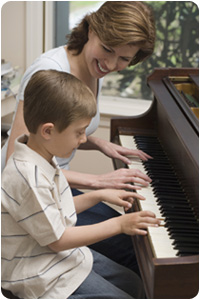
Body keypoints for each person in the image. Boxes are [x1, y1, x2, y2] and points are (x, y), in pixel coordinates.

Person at [1, 1, 156, 271]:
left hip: (56, 187)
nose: (110, 63)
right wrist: (98, 182)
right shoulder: (49, 71)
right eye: (107, 49)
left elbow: (57, 132)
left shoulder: (95, 66)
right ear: (91, 28)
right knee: (135, 250)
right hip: (28, 194)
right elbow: (18, 159)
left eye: (124, 59)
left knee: (135, 243)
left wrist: (97, 143)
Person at [1, 70, 160, 299]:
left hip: (60, 258)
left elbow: (55, 212)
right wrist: (119, 224)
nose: (84, 139)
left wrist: (99, 195)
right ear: (48, 131)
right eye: (79, 132)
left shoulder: (41, 155)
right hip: (42, 275)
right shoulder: (28, 175)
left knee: (135, 283)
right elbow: (58, 240)